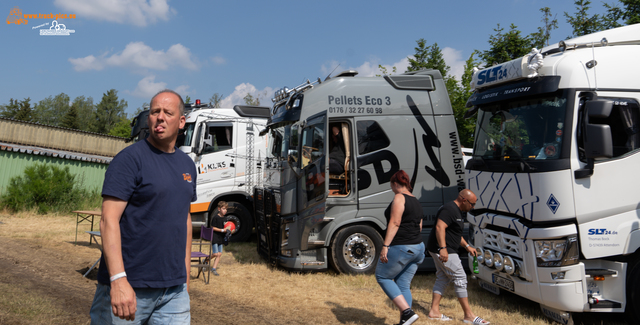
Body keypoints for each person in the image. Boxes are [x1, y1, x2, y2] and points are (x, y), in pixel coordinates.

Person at [90, 89, 197, 324]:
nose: (159, 117)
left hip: (174, 292)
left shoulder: (187, 164)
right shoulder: (129, 160)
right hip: (130, 287)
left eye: (167, 112)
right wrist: (118, 280)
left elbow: (184, 219)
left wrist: (185, 275)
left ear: (181, 122)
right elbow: (108, 219)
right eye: (154, 111)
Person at [426, 189, 490, 324]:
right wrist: (443, 249)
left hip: (443, 248)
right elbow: (439, 227)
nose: (473, 207)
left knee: (442, 278)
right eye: (472, 204)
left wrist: (467, 247)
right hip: (444, 249)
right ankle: (469, 316)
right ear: (464, 200)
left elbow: (455, 233)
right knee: (460, 277)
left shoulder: (457, 211)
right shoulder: (449, 209)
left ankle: (434, 311)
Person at [376, 170, 425, 325]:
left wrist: (385, 246)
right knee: (403, 284)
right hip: (418, 248)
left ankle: (407, 312)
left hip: (403, 247)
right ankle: (406, 321)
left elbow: (395, 222)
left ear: (395, 184)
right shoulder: (415, 199)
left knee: (382, 276)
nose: (391, 188)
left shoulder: (399, 197)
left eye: (391, 185)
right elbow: (420, 226)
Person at [209, 201, 234, 276]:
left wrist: (231, 230)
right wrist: (222, 230)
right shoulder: (215, 218)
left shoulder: (225, 218)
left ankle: (213, 269)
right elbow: (212, 228)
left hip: (221, 238)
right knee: (215, 253)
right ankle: (206, 260)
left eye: (226, 209)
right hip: (215, 237)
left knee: (219, 254)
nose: (225, 210)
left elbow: (227, 227)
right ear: (219, 209)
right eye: (223, 209)